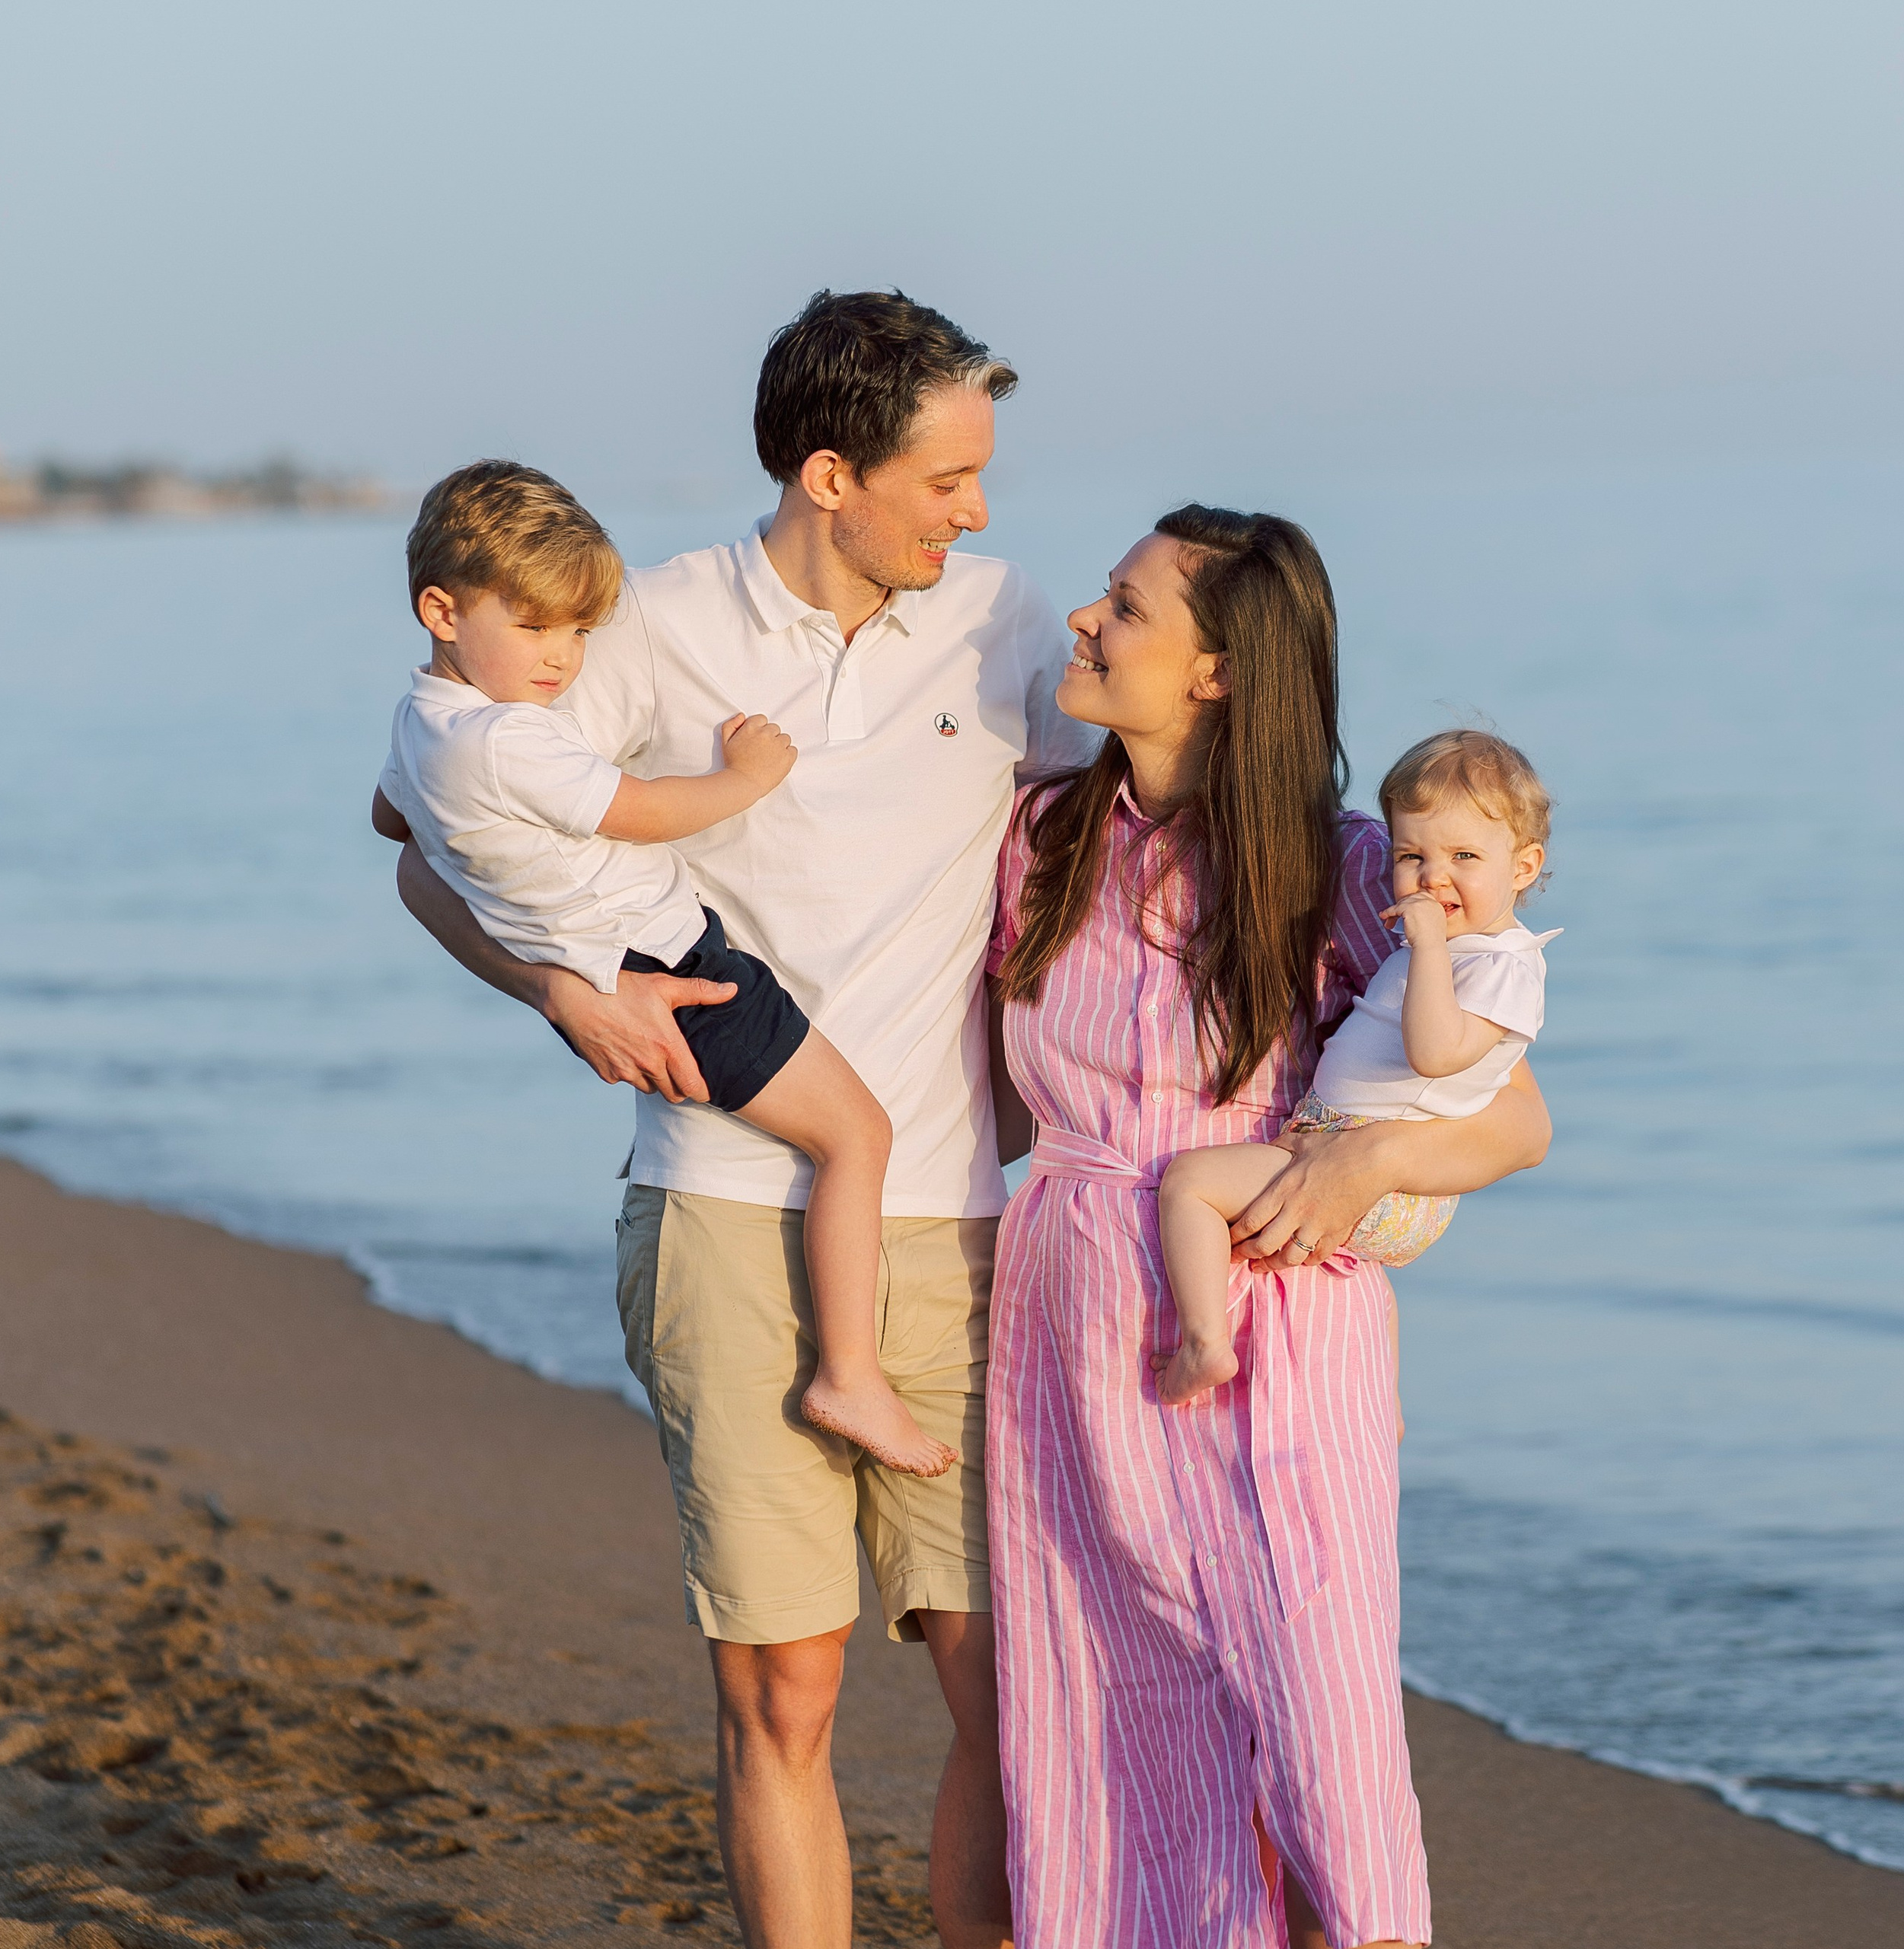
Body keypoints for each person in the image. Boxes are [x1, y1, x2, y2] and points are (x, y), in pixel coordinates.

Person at [385, 292, 1096, 1949]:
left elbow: (1151, 810)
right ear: (831, 475)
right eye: (946, 479)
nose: (977, 507)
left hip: (958, 1231)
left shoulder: (1001, 619)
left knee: (1010, 1701)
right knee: (785, 1692)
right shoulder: (646, 624)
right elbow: (421, 845)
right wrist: (561, 996)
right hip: (719, 1211)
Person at [984, 506, 1552, 1948]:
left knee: (1321, 1711)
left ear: (1219, 671)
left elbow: (1515, 1122)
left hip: (1283, 1305)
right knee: (1113, 1707)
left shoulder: (1354, 869)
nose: (1085, 621)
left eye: (1126, 606)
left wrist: (1370, 1167)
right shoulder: (1039, 838)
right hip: (1075, 1312)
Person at [372, 461, 954, 1478]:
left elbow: (391, 819)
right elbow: (642, 812)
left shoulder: (423, 723)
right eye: (533, 625)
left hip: (608, 969)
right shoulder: (509, 741)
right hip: (671, 967)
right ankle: (850, 1374)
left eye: (578, 630)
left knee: (832, 1130)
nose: (562, 658)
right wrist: (747, 776)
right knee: (857, 1135)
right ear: (441, 610)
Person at [1152, 728, 1559, 1408]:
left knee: (1190, 1184)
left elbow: (1436, 1051)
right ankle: (1387, 1405)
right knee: (1355, 1273)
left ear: (1523, 867)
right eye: (1411, 855)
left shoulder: (1504, 967)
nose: (1433, 877)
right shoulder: (1460, 949)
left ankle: (1204, 1342)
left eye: (1463, 856)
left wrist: (1428, 948)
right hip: (1342, 1141)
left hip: (1379, 1169)